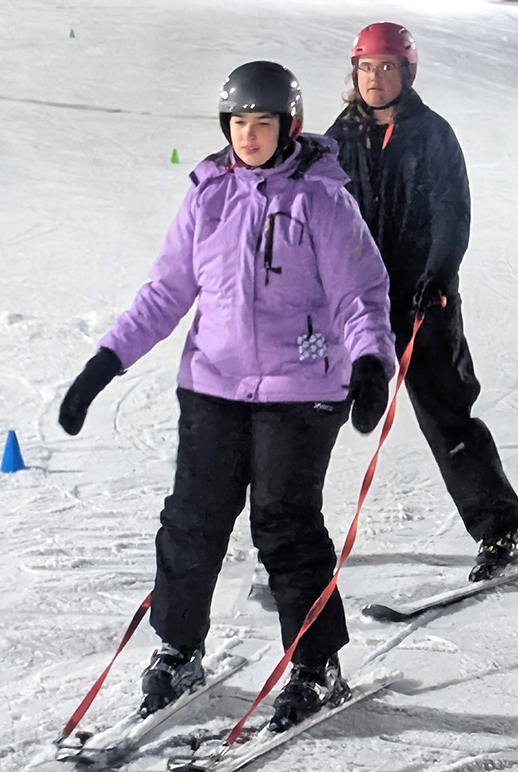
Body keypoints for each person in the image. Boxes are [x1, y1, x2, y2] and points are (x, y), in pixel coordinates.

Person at [58, 61, 397, 732]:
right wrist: (105, 361)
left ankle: (314, 663)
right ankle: (178, 648)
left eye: (261, 123)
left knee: (283, 522)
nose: (247, 136)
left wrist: (367, 362)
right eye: (237, 123)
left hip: (301, 390)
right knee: (192, 519)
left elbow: (360, 294)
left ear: (288, 126)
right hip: (211, 384)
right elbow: (165, 292)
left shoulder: (322, 201)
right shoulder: (207, 196)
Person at [326, 23, 518, 581]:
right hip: (355, 307)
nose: (376, 78)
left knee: (448, 418)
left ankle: (504, 531)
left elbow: (452, 211)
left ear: (407, 72)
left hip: (424, 301)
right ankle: (288, 543)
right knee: (309, 415)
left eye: (388, 67)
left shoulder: (432, 134)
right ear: (355, 73)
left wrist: (440, 275)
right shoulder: (338, 137)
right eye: (367, 67)